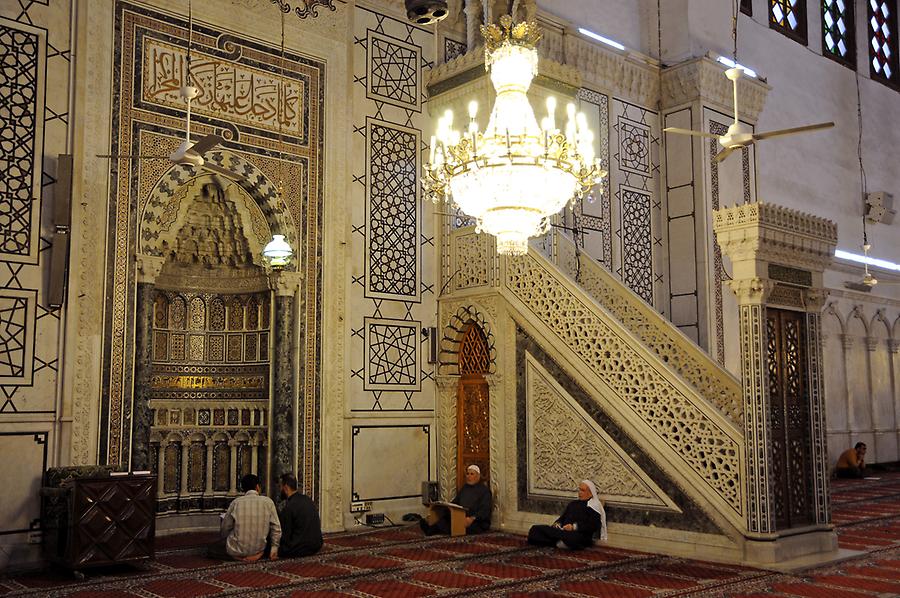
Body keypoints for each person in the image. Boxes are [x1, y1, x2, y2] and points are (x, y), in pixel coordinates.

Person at [208, 473, 281, 561]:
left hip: (236, 549)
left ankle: (237, 557)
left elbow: (225, 528)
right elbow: (276, 528)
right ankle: (258, 555)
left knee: (211, 549)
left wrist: (226, 539)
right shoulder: (268, 502)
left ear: (243, 489)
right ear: (257, 487)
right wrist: (274, 548)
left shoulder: (236, 503)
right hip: (258, 548)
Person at [527, 479, 607, 550]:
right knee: (535, 529)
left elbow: (593, 526)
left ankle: (555, 541)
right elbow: (563, 517)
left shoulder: (594, 506)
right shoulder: (573, 504)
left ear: (590, 493)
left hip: (579, 534)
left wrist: (573, 527)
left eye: (582, 490)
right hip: (562, 532)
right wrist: (557, 523)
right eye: (579, 490)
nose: (579, 492)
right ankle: (559, 543)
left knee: (572, 539)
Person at [420, 464, 492, 535]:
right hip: (461, 516)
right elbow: (456, 502)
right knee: (446, 517)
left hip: (476, 521)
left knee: (456, 525)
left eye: (472, 474)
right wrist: (447, 507)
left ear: (478, 476)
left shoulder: (485, 491)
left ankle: (431, 530)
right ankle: (430, 529)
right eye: (467, 474)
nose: (469, 476)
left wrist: (472, 518)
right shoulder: (465, 488)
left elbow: (485, 510)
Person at [277, 472, 323, 557]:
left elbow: (285, 535)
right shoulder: (308, 500)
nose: (280, 490)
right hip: (316, 545)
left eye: (280, 487)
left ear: (286, 488)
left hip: (298, 549)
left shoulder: (289, 507)